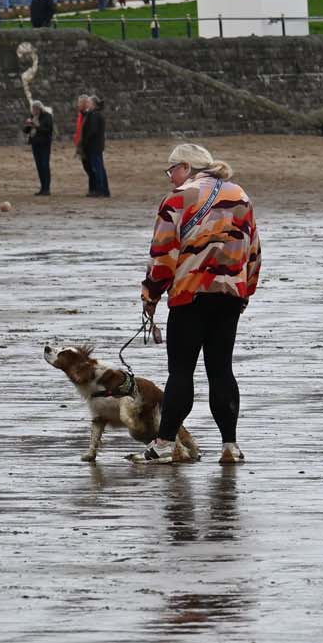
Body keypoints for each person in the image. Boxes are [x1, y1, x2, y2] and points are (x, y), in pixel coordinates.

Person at [134, 144, 261, 464]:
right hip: (230, 295)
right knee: (221, 370)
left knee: (181, 372)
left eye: (172, 169)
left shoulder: (178, 199)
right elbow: (253, 250)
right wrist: (245, 291)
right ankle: (230, 446)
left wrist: (151, 295)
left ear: (187, 167)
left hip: (189, 295)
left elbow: (163, 255)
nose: (170, 177)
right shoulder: (239, 195)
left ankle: (164, 443)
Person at [79, 95, 110, 197]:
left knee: (97, 168)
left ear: (94, 104)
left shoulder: (94, 115)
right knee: (99, 167)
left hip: (94, 146)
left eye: (89, 102)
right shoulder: (95, 114)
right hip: (96, 145)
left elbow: (92, 130)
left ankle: (100, 190)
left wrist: (84, 142)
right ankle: (104, 190)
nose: (87, 104)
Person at [22, 100, 55, 196]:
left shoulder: (47, 116)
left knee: (44, 165)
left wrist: (36, 126)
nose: (33, 111)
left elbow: (48, 130)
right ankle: (42, 188)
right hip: (35, 144)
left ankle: (46, 188)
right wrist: (28, 125)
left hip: (44, 144)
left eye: (34, 109)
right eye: (32, 109)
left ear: (39, 109)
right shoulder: (33, 116)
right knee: (39, 166)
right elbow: (25, 130)